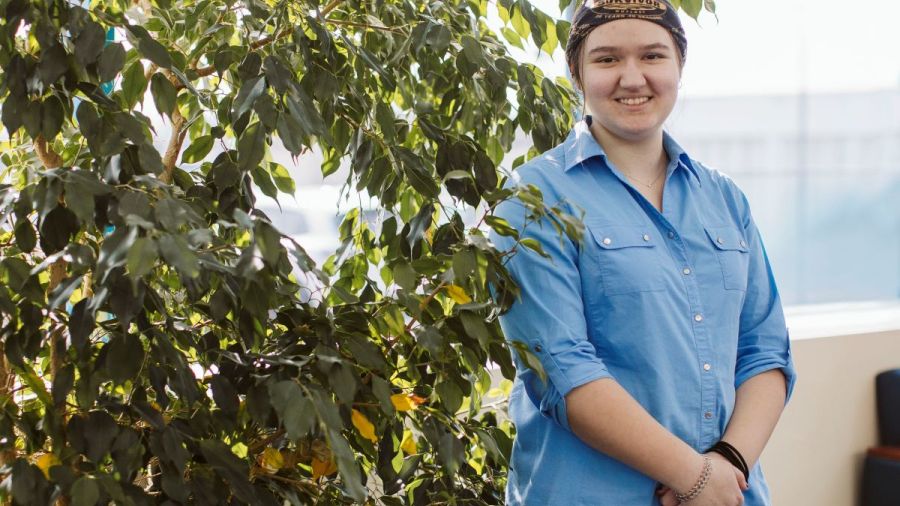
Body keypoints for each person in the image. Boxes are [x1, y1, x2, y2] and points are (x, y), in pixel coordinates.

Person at [489, 1, 797, 504]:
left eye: (653, 56)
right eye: (607, 59)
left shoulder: (725, 199)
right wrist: (694, 478)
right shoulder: (533, 199)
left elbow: (765, 351)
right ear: (577, 73)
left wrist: (727, 465)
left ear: (679, 67)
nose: (632, 78)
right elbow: (562, 371)